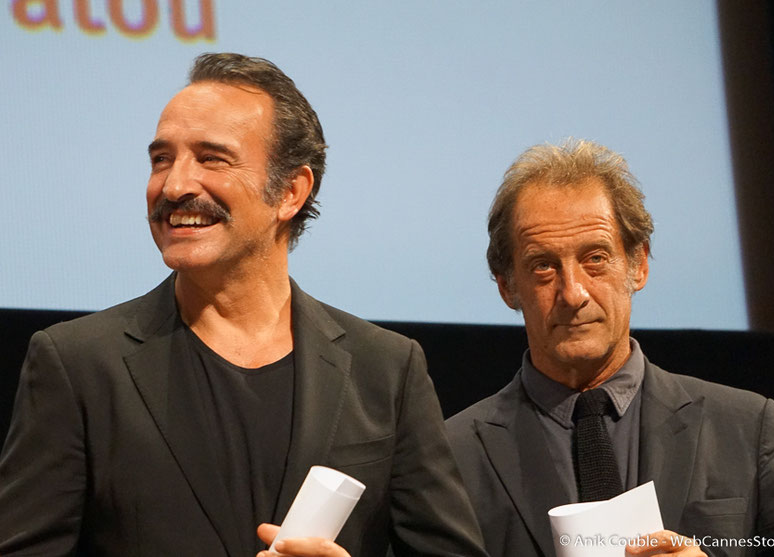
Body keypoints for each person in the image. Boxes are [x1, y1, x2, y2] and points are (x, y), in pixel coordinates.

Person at [0, 53, 486, 557]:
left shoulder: (386, 370)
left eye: (211, 158)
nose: (173, 185)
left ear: (291, 192)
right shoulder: (77, 364)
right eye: (161, 158)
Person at [446, 140, 774, 556]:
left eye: (595, 258)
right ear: (507, 286)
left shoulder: (746, 426)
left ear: (639, 264)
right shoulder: (452, 456)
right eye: (543, 265)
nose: (573, 293)